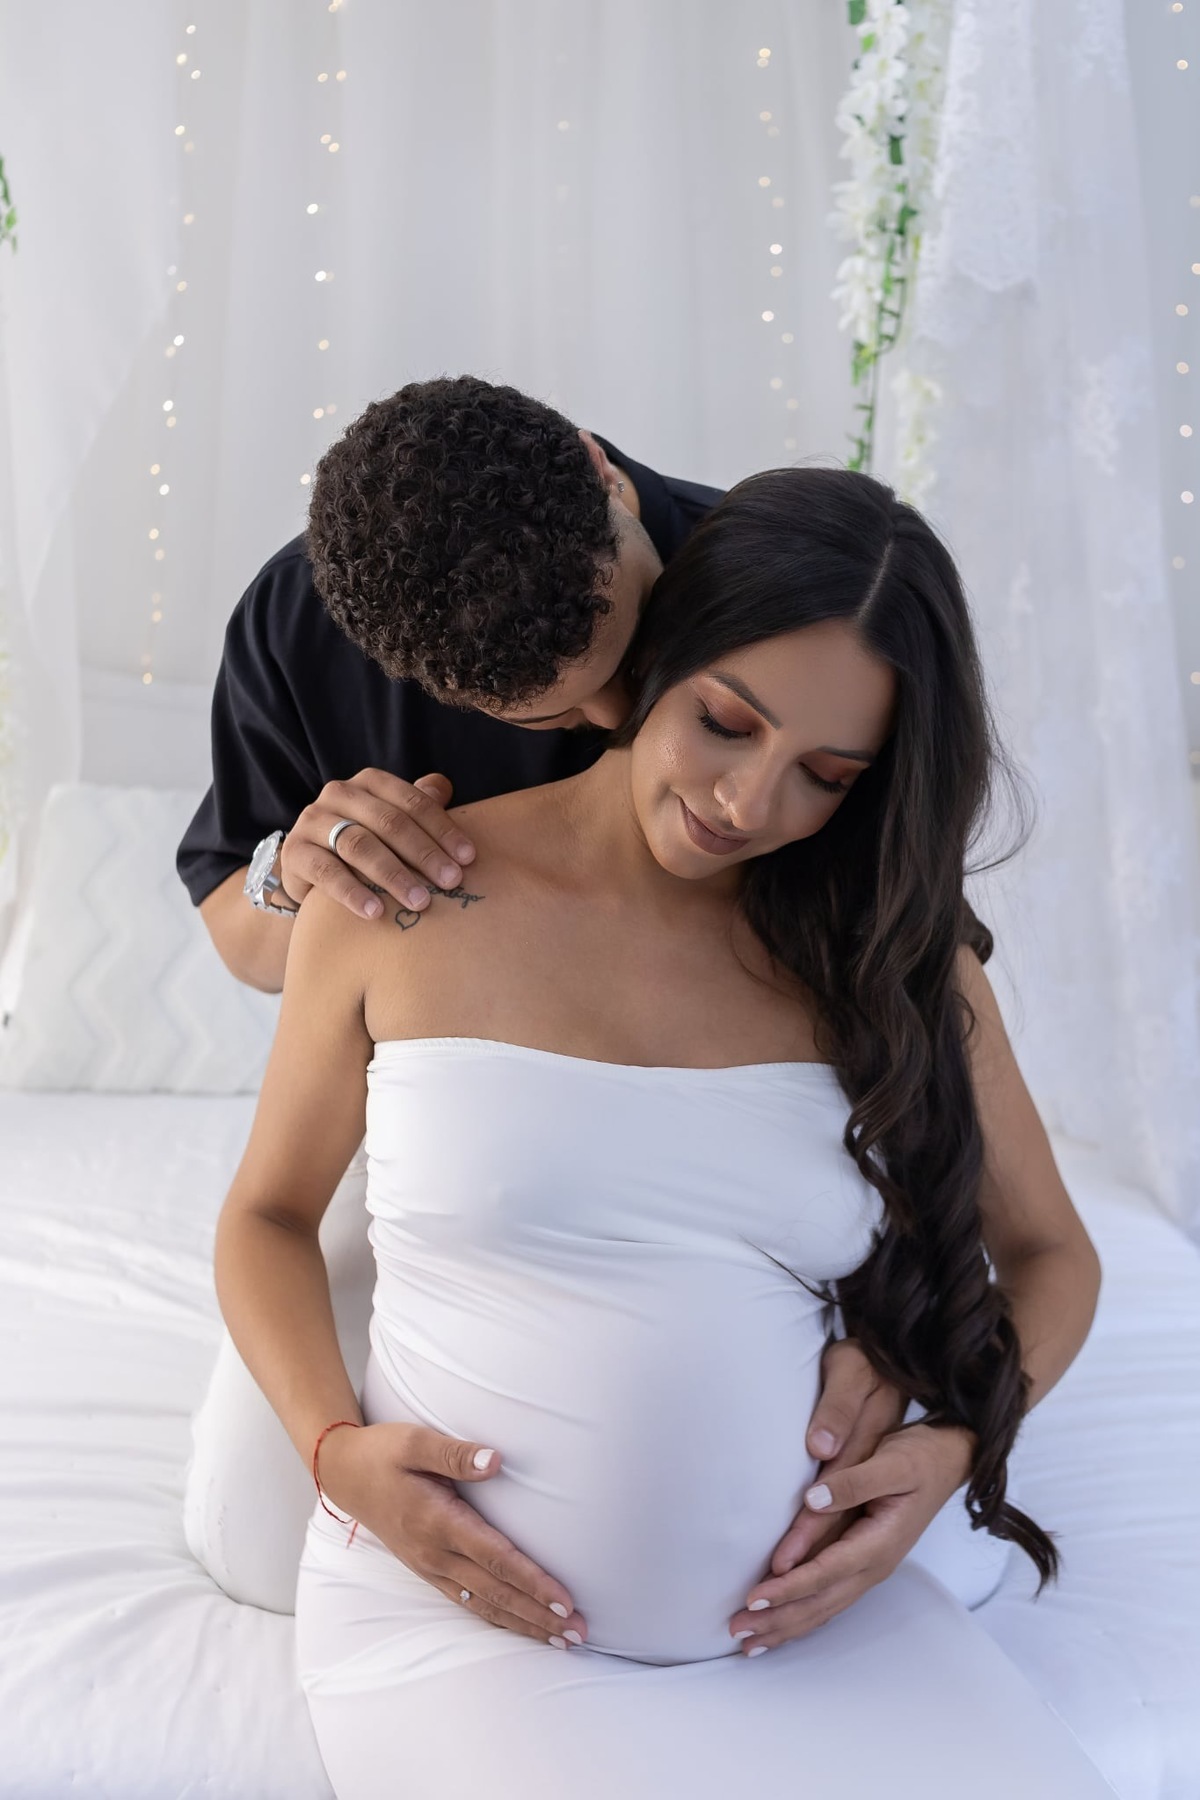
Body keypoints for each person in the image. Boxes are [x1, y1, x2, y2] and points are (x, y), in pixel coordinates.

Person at [212, 465, 1113, 1798]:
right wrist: (333, 1454)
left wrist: (959, 1444)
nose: (752, 804)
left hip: (832, 1629)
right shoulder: (402, 891)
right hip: (462, 1629)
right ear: (646, 668)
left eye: (825, 773)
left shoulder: (888, 959)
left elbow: (1053, 1257)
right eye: (725, 723)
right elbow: (268, 1218)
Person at [180, 378, 921, 1618]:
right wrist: (295, 884)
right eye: (543, 718)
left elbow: (899, 959)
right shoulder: (296, 620)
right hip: (458, 1132)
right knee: (258, 1546)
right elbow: (237, 934)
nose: (607, 726)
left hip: (748, 1114)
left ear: (609, 481)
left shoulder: (772, 583)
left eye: (627, 668)